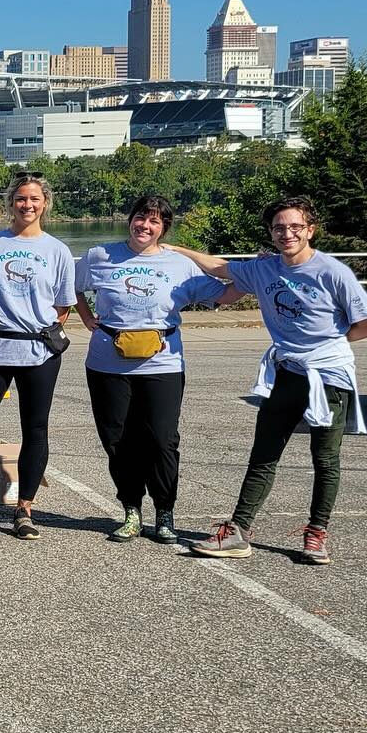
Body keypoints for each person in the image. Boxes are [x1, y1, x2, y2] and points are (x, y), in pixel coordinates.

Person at [170, 197, 367, 564]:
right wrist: (172, 247)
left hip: (327, 377)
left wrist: (327, 343)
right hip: (286, 372)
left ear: (310, 229)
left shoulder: (333, 272)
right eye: (280, 228)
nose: (288, 234)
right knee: (264, 453)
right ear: (271, 233)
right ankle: (238, 531)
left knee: (325, 458)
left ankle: (316, 534)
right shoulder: (264, 269)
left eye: (296, 227)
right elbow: (219, 267)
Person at [74, 195, 239, 544]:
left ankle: (165, 511)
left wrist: (263, 272)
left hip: (162, 363)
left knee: (162, 440)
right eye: (140, 218)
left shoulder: (179, 264)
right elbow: (70, 286)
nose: (144, 226)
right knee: (117, 440)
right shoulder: (100, 256)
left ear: (164, 228)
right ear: (129, 218)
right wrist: (87, 316)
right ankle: (131, 509)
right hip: (107, 363)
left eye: (154, 222)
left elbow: (225, 295)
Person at [0, 173, 75, 540]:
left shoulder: (57, 251)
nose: (27, 205)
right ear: (11, 203)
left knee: (35, 428)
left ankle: (25, 507)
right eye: (20, 199)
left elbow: (62, 306)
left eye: (34, 199)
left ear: (45, 203)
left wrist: (38, 329)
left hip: (39, 352)